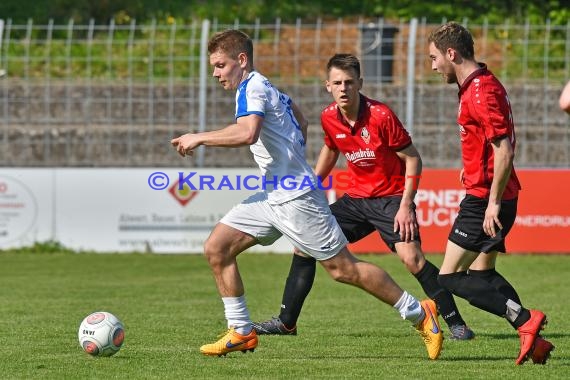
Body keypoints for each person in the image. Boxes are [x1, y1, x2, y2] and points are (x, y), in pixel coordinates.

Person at [171, 29, 443, 359]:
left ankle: (418, 313)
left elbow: (248, 132)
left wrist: (199, 137)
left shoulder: (251, 88)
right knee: (217, 248)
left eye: (219, 65)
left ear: (241, 60)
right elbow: (300, 119)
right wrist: (289, 152)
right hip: (272, 195)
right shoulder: (265, 86)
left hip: (297, 199)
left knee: (344, 270)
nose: (215, 74)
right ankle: (241, 330)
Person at [253, 53, 474, 341]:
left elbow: (413, 159)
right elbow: (331, 149)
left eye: (349, 82)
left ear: (360, 83)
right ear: (327, 86)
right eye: (337, 83)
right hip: (355, 201)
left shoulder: (381, 115)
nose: (343, 88)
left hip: (391, 200)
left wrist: (406, 204)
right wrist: (312, 183)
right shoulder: (329, 117)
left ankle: (456, 323)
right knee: (303, 245)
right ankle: (286, 322)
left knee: (412, 259)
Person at [427, 21, 554, 365]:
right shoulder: (479, 86)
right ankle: (534, 340)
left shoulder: (480, 91)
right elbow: (490, 144)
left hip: (486, 200)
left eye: (434, 57)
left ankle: (526, 320)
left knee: (449, 277)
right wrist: (471, 168)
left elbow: (504, 149)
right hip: (490, 192)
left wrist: (491, 202)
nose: (433, 66)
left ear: (451, 53)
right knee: (483, 274)